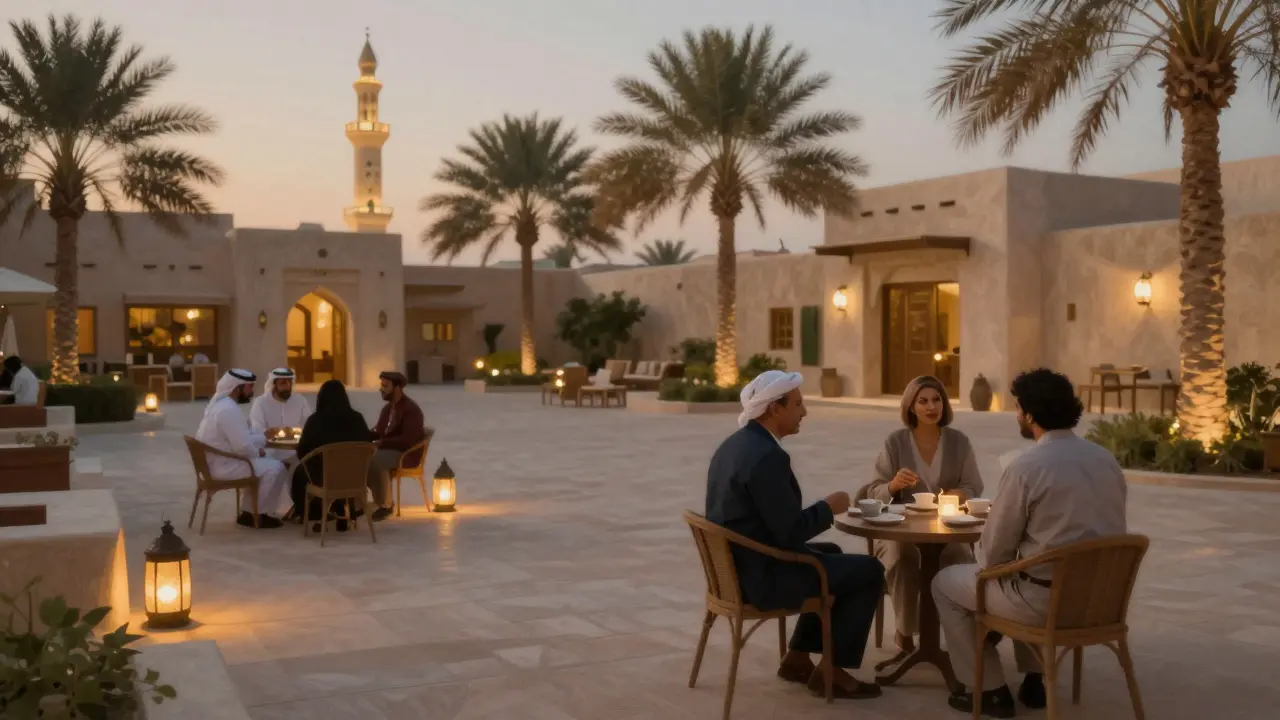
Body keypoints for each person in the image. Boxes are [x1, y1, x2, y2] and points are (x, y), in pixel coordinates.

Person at [932, 369, 1127, 717]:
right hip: (1102, 601)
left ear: (1031, 415)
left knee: (947, 582)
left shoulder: (1027, 467)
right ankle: (1035, 676)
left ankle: (989, 689)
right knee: (1031, 568)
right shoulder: (1106, 460)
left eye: (1019, 408)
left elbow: (993, 555)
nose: (1017, 416)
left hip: (1044, 604)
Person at [706, 370, 885, 700]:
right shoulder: (767, 457)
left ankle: (797, 658)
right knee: (869, 571)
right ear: (775, 409)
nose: (804, 411)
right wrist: (829, 508)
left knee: (830, 550)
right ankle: (832, 670)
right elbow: (789, 533)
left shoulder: (736, 444)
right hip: (760, 580)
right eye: (799, 404)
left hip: (737, 569)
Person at [859, 375, 984, 671]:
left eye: (937, 399)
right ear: (911, 407)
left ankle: (956, 637)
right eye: (923, 401)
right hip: (900, 530)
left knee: (958, 557)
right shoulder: (895, 442)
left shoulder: (959, 442)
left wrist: (958, 494)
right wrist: (892, 486)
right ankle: (904, 634)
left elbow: (973, 486)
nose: (931, 407)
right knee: (902, 557)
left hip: (946, 530)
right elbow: (873, 492)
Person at [194, 369, 289, 529]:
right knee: (276, 467)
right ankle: (257, 515)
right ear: (237, 389)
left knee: (268, 462)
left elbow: (241, 438)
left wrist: (264, 437)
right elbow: (243, 446)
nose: (251, 392)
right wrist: (259, 451)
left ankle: (249, 512)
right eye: (249, 387)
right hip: (223, 467)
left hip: (218, 462)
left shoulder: (222, 405)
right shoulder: (228, 410)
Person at [290, 379, 374, 532]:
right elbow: (367, 444)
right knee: (340, 471)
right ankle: (339, 507)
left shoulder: (315, 421)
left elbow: (302, 450)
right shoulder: (357, 419)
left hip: (323, 477)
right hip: (353, 477)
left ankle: (316, 513)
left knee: (300, 474)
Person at [367, 370, 425, 521]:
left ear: (397, 388)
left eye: (385, 386)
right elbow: (378, 431)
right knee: (361, 458)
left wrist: (383, 443)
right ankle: (358, 502)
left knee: (375, 461)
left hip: (405, 453)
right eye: (381, 385)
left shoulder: (411, 410)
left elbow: (408, 440)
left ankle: (385, 505)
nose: (381, 389)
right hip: (389, 449)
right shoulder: (387, 409)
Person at [250, 367, 312, 453]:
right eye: (283, 383)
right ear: (274, 385)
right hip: (270, 451)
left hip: (296, 451)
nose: (288, 386)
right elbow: (257, 429)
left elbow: (308, 426)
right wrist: (273, 433)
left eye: (289, 382)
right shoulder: (260, 403)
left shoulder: (300, 401)